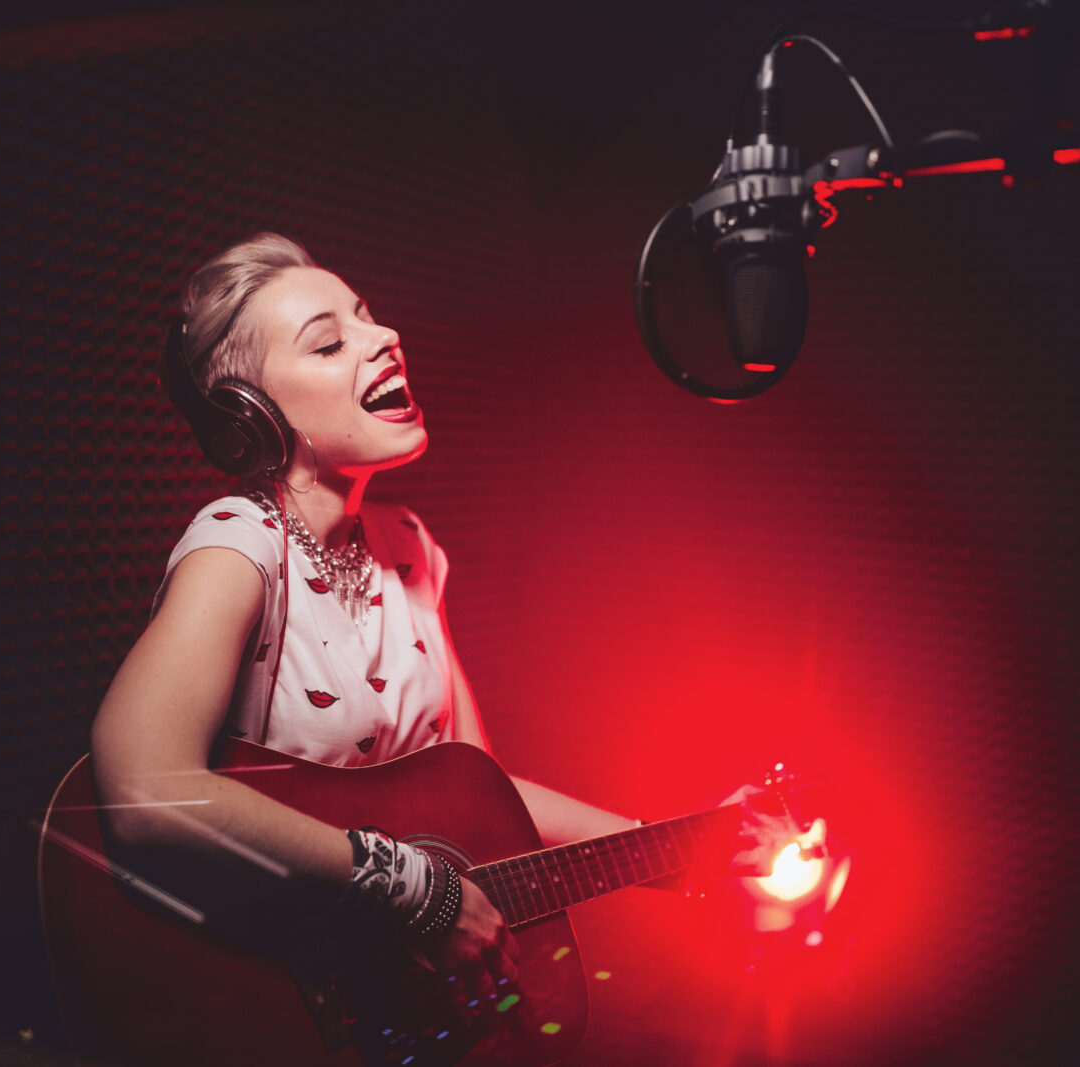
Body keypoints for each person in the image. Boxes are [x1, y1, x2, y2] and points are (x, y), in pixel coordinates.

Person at [89, 232, 789, 1007]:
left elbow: (480, 797)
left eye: (367, 316)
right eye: (329, 343)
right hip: (258, 1004)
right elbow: (145, 791)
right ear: (253, 415)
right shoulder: (237, 547)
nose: (385, 336)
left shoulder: (410, 546)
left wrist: (677, 846)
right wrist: (415, 887)